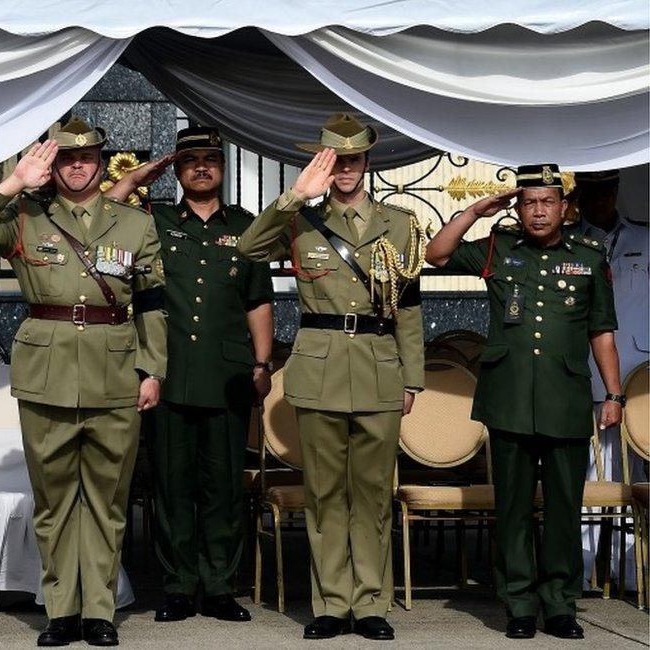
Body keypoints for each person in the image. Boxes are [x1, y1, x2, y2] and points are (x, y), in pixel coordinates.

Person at [0, 117, 166, 647]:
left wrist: (153, 368)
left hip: (115, 369)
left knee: (107, 500)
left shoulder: (134, 223)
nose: (77, 166)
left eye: (87, 158)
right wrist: (14, 182)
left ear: (99, 162)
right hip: (46, 372)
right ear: (54, 166)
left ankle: (99, 609)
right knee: (53, 501)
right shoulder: (27, 216)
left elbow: (156, 303)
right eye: (66, 159)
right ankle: (60, 609)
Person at [237, 113, 426, 641]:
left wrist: (412, 378)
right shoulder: (300, 221)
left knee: (371, 494)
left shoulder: (400, 224)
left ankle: (370, 604)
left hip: (379, 368)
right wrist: (295, 196)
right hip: (319, 368)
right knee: (324, 495)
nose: (345, 168)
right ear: (322, 163)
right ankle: (331, 603)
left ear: (368, 162)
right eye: (335, 160)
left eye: (354, 159)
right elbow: (250, 248)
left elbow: (408, 308)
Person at [426, 164, 624, 640]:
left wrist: (613, 394)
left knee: (562, 507)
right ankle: (518, 602)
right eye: (529, 202)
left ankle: (559, 604)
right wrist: (476, 210)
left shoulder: (590, 256)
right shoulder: (498, 248)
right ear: (518, 207)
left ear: (564, 208)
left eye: (547, 202)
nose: (538, 212)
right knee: (512, 507)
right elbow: (436, 254)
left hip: (565, 400)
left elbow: (601, 331)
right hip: (509, 399)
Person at [105, 127, 274, 624]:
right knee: (173, 486)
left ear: (222, 167)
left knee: (222, 486)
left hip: (228, 374)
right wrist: (136, 178)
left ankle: (220, 587)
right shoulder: (152, 220)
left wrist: (262, 364)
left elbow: (258, 299)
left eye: (210, 159)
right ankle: (178, 586)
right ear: (176, 170)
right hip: (168, 371)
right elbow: (101, 213)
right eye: (190, 160)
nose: (201, 167)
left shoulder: (247, 226)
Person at [570, 171, 649, 588]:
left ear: (617, 191)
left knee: (634, 477)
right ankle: (582, 573)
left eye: (606, 190)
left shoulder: (644, 240)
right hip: (584, 370)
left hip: (637, 373)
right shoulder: (566, 242)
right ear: (578, 195)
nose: (599, 199)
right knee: (589, 475)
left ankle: (630, 571)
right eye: (591, 192)